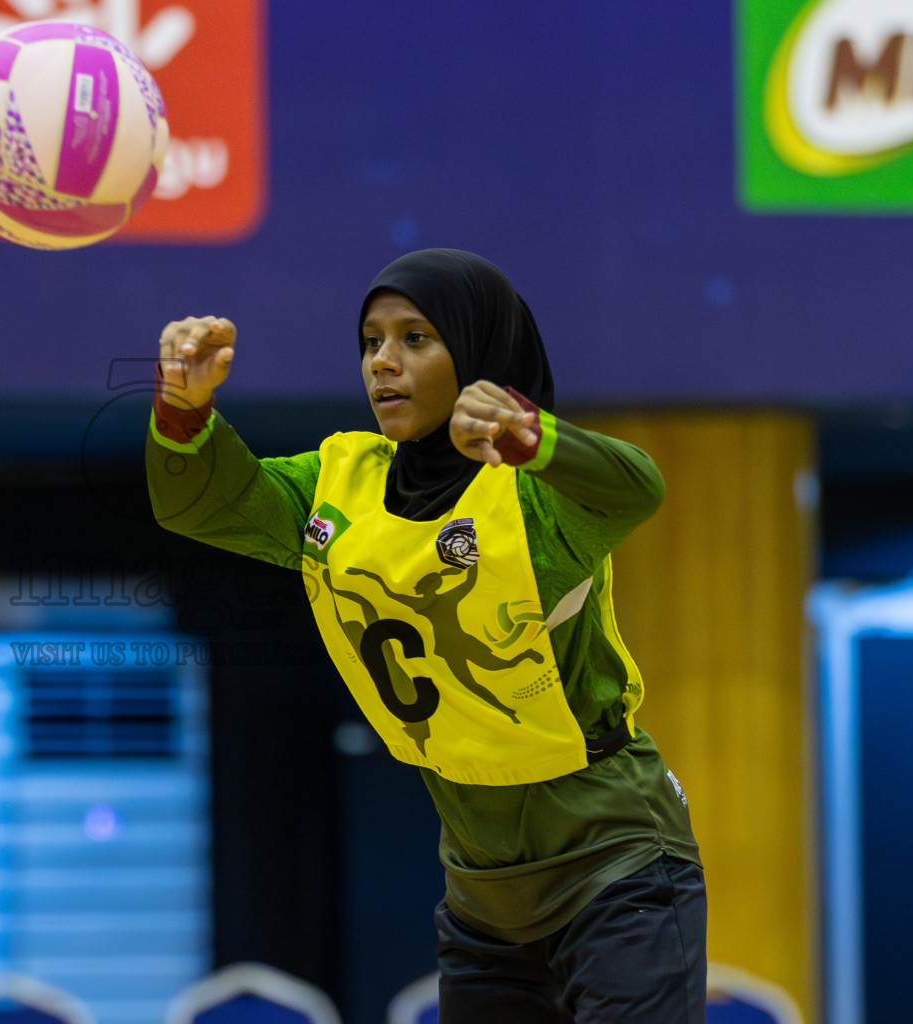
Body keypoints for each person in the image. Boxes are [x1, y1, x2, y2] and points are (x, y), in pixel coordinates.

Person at [144, 249, 704, 1023]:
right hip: (482, 893)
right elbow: (201, 503)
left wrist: (532, 437)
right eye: (370, 340)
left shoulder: (538, 497)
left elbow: (640, 484)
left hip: (616, 863)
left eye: (415, 338)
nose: (383, 362)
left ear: (479, 353)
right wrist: (182, 406)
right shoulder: (338, 483)